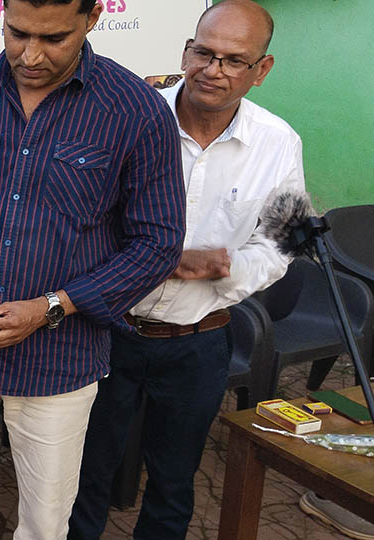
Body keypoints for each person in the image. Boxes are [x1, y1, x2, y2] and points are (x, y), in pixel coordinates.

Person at [0, 0, 187, 537]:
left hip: (61, 361)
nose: (30, 55)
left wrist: (52, 306)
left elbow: (157, 244)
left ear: (92, 17)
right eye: (18, 33)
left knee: (46, 523)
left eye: (53, 39)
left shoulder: (136, 110)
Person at [67, 2, 317, 538]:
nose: (214, 70)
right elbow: (77, 220)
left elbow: (285, 243)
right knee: (81, 478)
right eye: (204, 53)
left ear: (262, 69)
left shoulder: (277, 143)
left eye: (234, 60)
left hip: (198, 340)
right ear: (186, 51)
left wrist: (221, 266)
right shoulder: (129, 118)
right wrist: (157, 259)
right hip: (104, 331)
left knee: (175, 483)